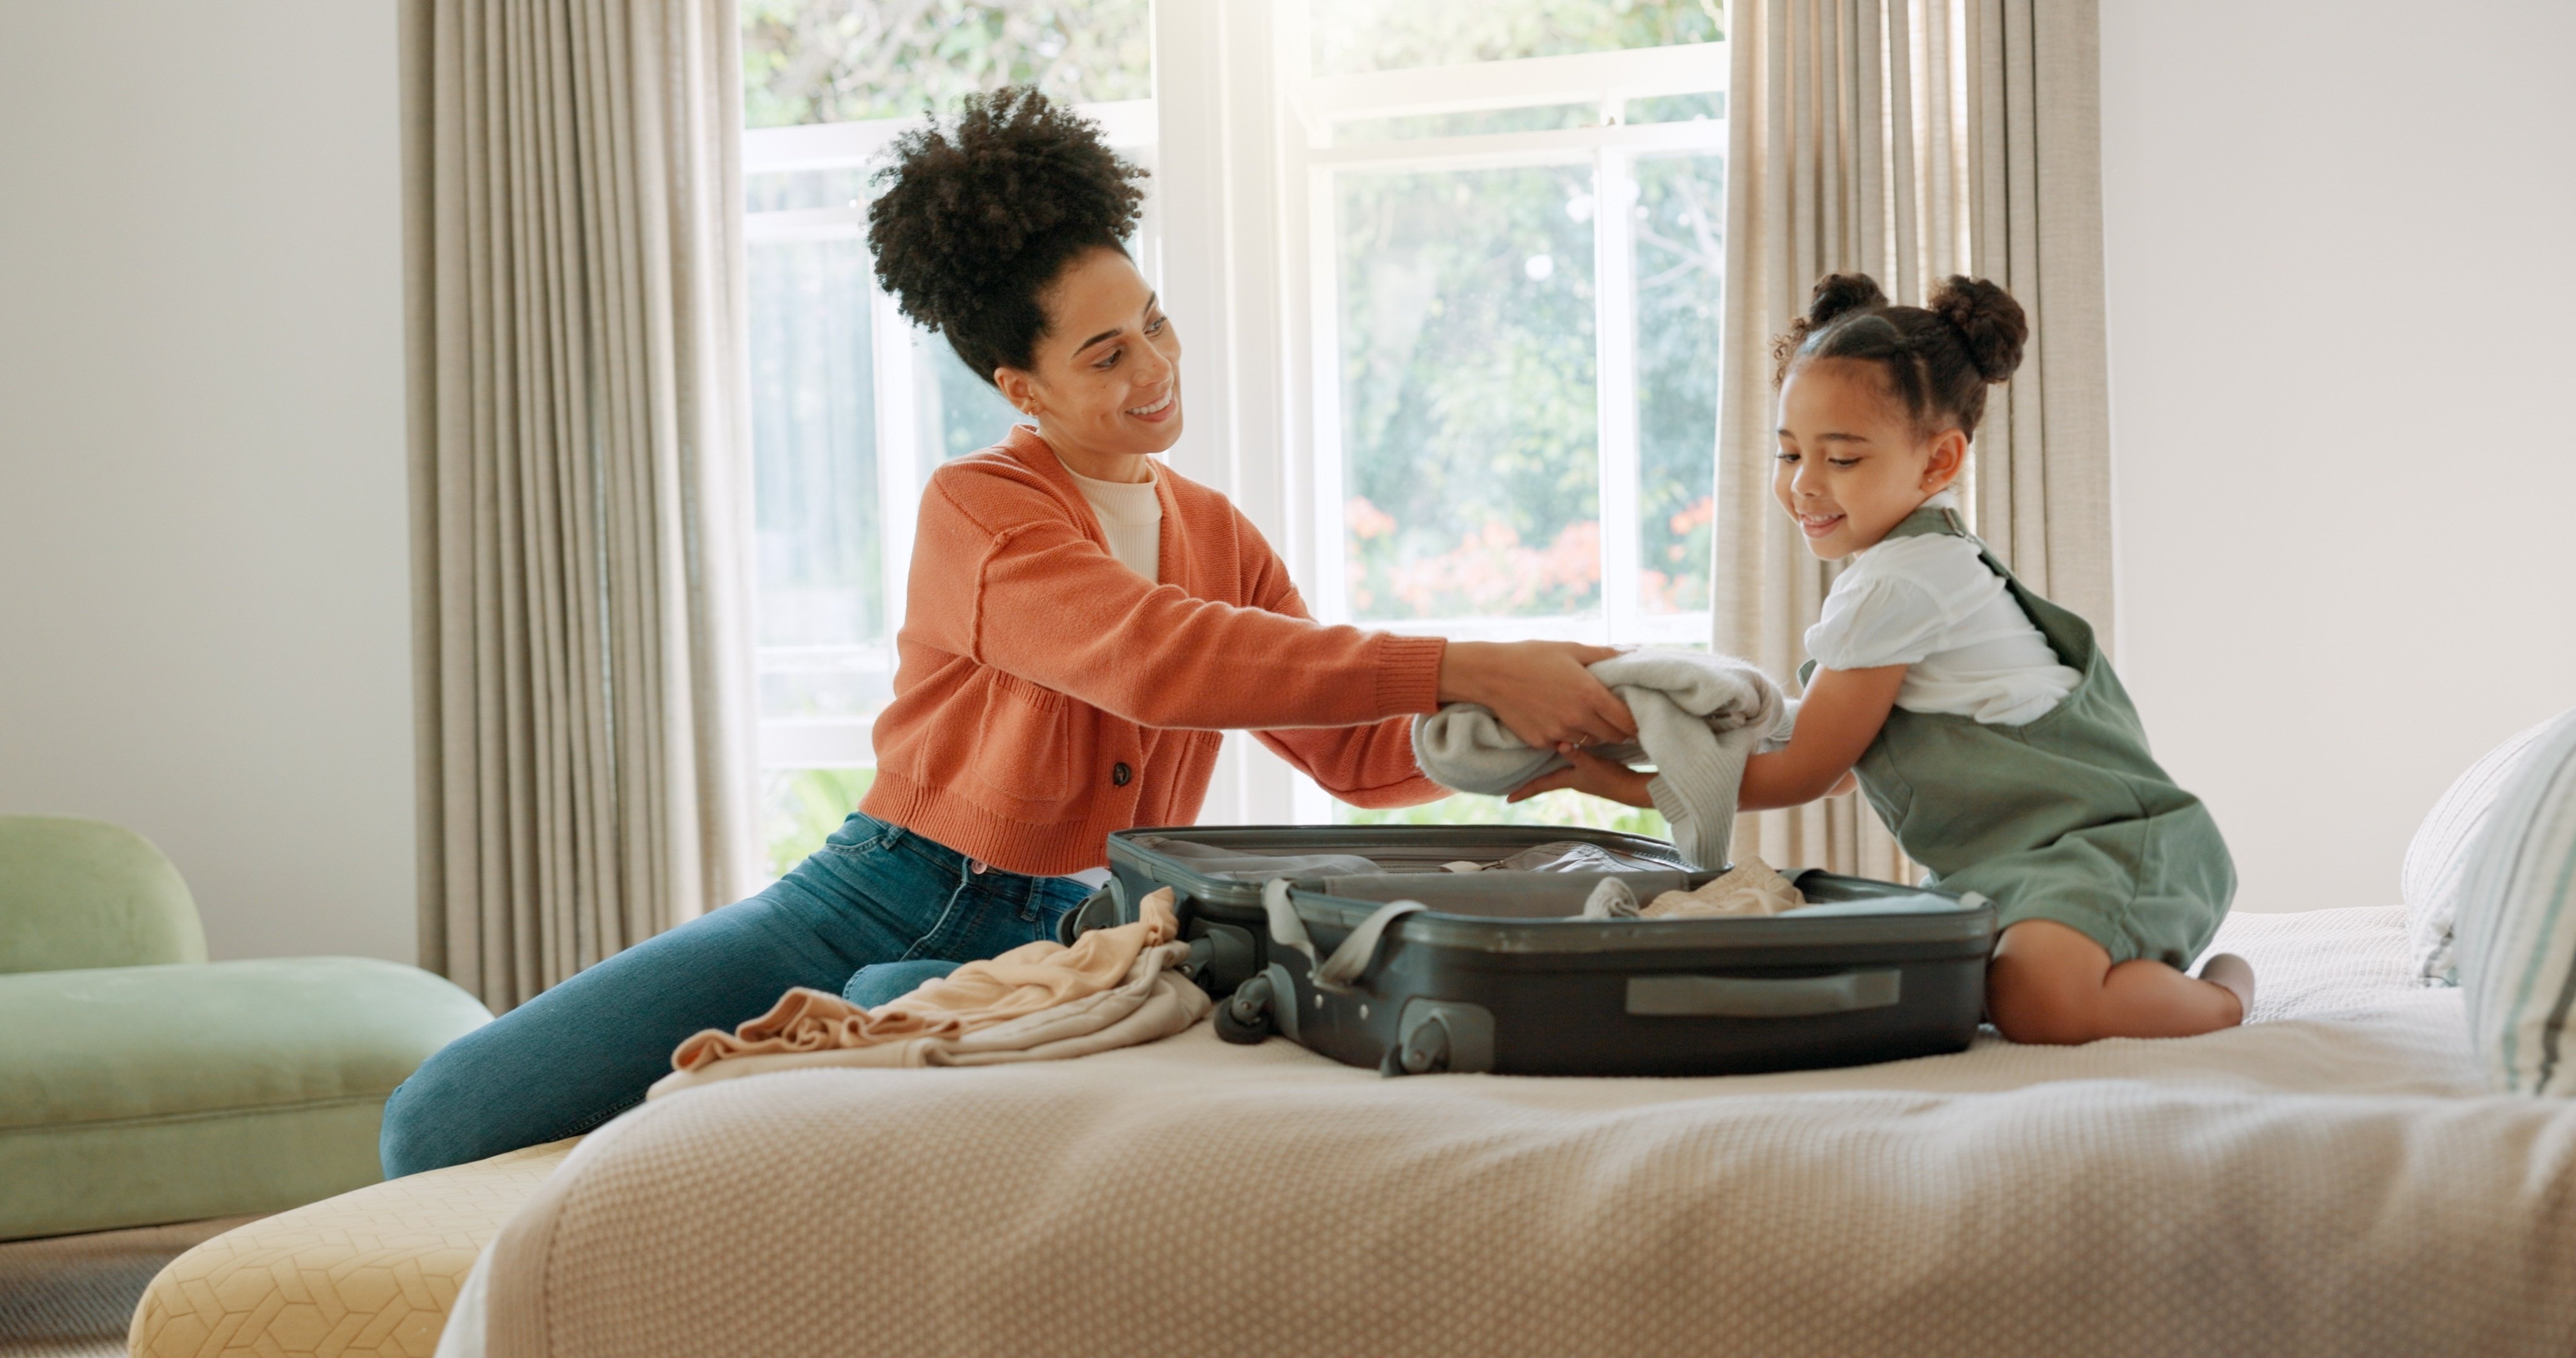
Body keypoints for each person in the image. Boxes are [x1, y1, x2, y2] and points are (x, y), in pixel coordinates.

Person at [376, 88, 1635, 1177]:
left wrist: (1544, 743)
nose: (1153, 364)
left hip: (1081, 943)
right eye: (1105, 352)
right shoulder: (980, 507)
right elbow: (1154, 653)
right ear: (1020, 389)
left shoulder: (1218, 531)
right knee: (437, 1123)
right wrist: (1468, 660)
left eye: (1154, 318)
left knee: (872, 1049)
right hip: (872, 897)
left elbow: (1355, 755)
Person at [1513, 272, 2253, 1045]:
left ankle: (2227, 995)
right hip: (2012, 869)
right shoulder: (1904, 566)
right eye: (1788, 451)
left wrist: (1627, 788)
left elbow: (1807, 772)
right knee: (1948, 988)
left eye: (1842, 459)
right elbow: (1840, 763)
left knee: (2042, 1003)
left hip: (2112, 851)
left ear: (1936, 463)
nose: (1803, 484)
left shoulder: (1902, 582)